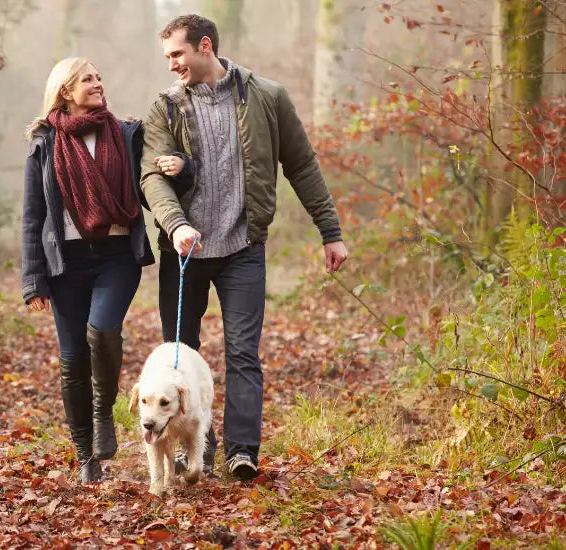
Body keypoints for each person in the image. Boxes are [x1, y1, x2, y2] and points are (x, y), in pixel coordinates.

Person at [140, 15, 350, 482]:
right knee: (181, 356)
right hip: (184, 252)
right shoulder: (165, 108)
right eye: (168, 57)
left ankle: (241, 452)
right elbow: (151, 176)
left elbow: (302, 165)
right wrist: (174, 225)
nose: (172, 64)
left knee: (243, 354)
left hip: (242, 249)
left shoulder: (267, 97)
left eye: (178, 54)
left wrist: (329, 230)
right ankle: (191, 451)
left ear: (205, 46)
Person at [21, 57, 189, 483]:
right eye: (88, 80)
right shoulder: (44, 142)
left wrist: (179, 174)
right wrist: (33, 278)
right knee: (73, 359)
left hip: (116, 256)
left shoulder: (127, 134)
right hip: (65, 264)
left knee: (102, 330)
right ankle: (85, 457)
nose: (98, 84)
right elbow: (32, 215)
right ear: (65, 91)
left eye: (98, 77)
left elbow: (154, 187)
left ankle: (104, 413)